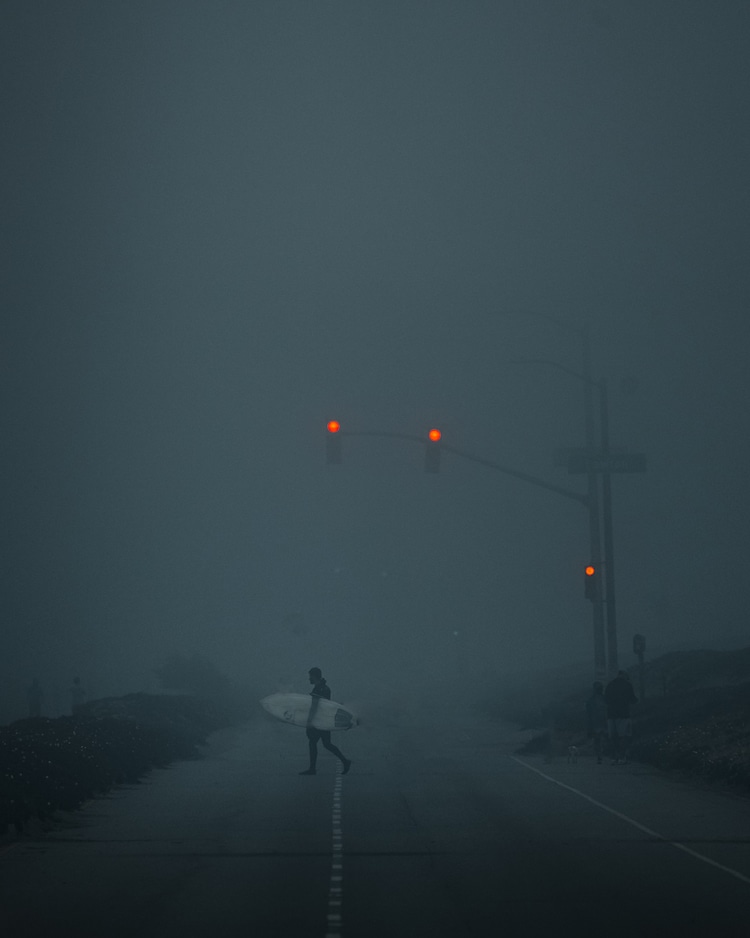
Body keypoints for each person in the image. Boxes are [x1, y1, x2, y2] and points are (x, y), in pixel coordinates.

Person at [299, 668, 352, 776]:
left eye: (311, 676)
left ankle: (312, 768)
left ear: (315, 676)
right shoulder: (325, 688)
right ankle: (345, 761)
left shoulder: (319, 689)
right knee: (326, 744)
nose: (309, 679)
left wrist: (309, 720)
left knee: (314, 743)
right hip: (324, 720)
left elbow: (315, 706)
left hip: (318, 721)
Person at [604, 670, 638, 764]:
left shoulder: (610, 685)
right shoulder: (627, 685)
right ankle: (622, 757)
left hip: (611, 715)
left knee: (613, 737)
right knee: (624, 736)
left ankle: (614, 757)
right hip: (623, 714)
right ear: (624, 675)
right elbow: (633, 699)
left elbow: (605, 700)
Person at [585, 681, 608, 764]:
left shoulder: (592, 700)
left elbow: (588, 713)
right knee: (598, 739)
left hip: (601, 721)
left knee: (600, 739)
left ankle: (601, 754)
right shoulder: (602, 699)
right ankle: (600, 755)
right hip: (598, 722)